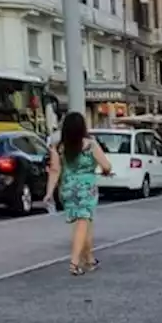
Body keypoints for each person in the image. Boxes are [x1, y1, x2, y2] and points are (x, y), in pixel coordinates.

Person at [45, 110, 113, 276]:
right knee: (83, 223)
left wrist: (49, 193)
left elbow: (55, 171)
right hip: (86, 188)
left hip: (67, 188)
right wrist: (104, 171)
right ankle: (74, 263)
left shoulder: (59, 147)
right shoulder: (90, 144)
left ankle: (89, 259)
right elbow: (107, 165)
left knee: (85, 224)